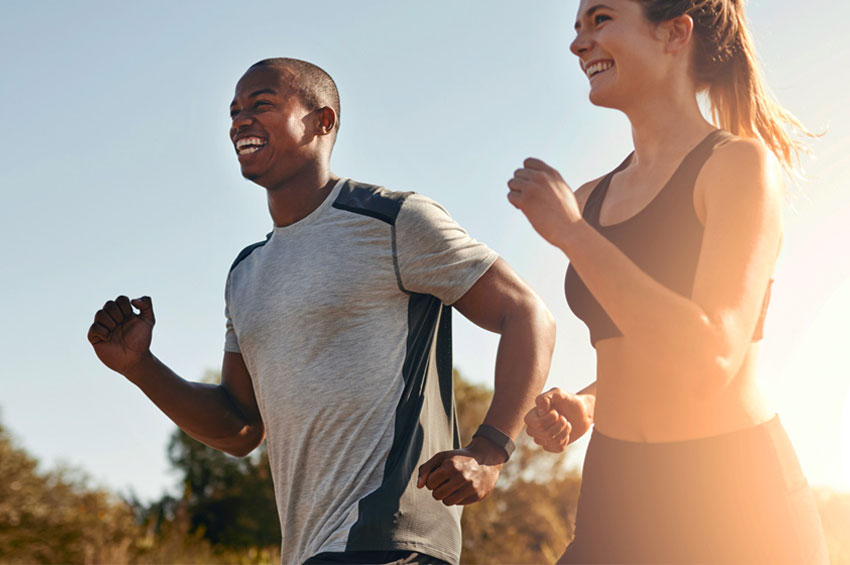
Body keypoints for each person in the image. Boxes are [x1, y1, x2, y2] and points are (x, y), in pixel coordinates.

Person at [87, 57, 556, 565]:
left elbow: (528, 314)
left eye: (261, 104)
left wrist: (489, 451)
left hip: (391, 542)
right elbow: (240, 426)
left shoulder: (394, 220)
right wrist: (141, 368)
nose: (240, 120)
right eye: (234, 111)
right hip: (308, 552)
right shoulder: (246, 273)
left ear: (322, 121)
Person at [507, 1, 828, 563]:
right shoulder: (590, 198)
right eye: (577, 28)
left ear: (675, 33)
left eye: (601, 19)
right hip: (617, 488)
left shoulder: (737, 167)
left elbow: (710, 359)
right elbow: (639, 346)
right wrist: (588, 404)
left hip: (732, 498)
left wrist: (572, 234)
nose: (579, 44)